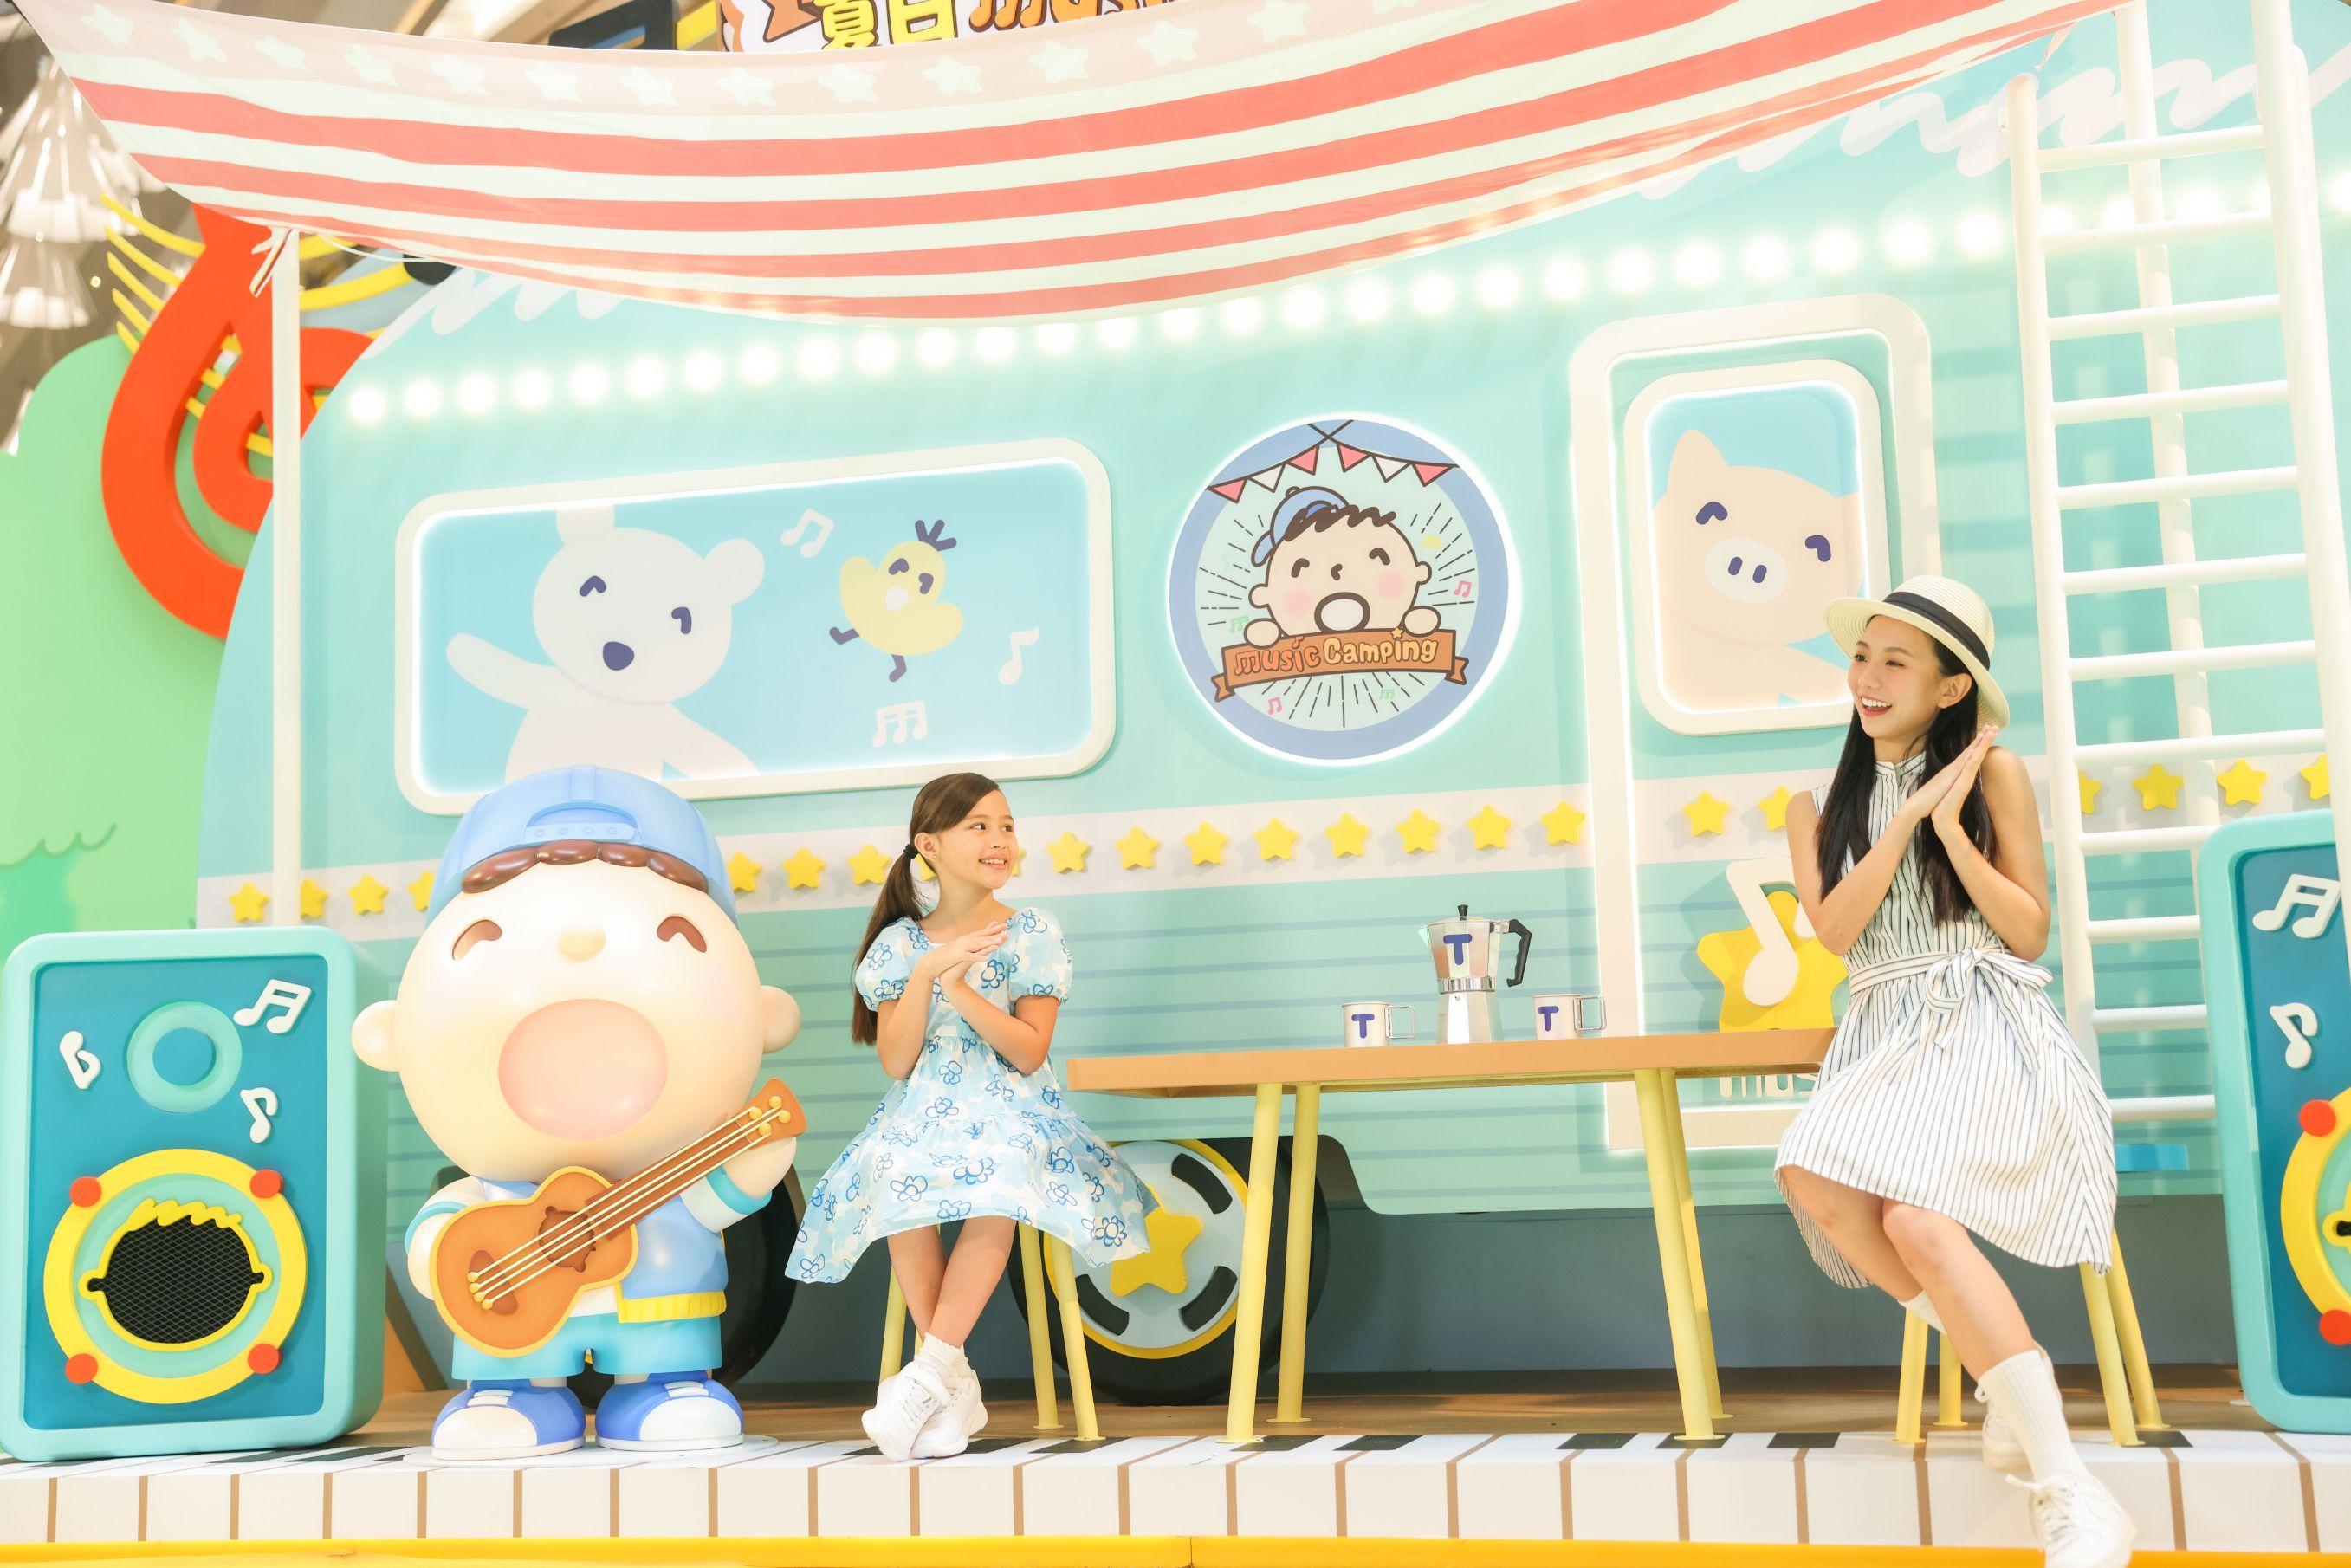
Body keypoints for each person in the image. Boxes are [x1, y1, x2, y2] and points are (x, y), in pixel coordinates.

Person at [1773, 576, 2134, 1568]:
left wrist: (1946, 832)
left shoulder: (1995, 775)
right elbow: (1836, 934)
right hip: (1878, 1031)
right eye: (1861, 656)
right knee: (1809, 1175)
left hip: (1980, 1018)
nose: (1867, 676)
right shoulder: (1813, 808)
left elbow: (2026, 933)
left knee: (1916, 1223)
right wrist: (1900, 822)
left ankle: (2068, 1487)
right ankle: (2007, 1384)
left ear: (1947, 688)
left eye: (1895, 661)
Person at [787, 771, 1156, 1460]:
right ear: (929, 845)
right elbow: (896, 1062)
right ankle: (949, 1384)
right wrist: (928, 972)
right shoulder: (900, 945)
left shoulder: (1031, 932)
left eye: (1007, 825)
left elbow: (1029, 1052)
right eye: (979, 826)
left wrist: (960, 987)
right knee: (892, 1164)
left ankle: (928, 1374)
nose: (999, 839)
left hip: (1016, 1106)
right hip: (923, 1109)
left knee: (1004, 1168)